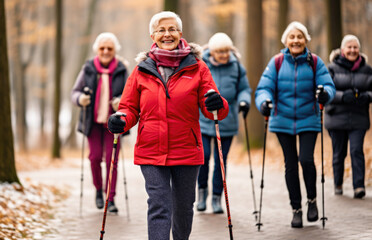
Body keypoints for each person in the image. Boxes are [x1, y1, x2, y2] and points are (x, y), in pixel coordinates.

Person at [107, 11, 229, 240]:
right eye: (161, 30)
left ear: (180, 33)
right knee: (159, 206)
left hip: (186, 148)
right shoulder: (141, 69)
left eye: (172, 29)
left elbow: (214, 109)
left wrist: (217, 102)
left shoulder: (198, 67)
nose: (167, 34)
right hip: (151, 149)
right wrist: (120, 119)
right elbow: (129, 107)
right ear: (152, 35)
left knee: (183, 208)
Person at [255, 21, 335, 228]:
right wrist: (264, 102)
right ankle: (296, 209)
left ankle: (312, 200)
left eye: (300, 36)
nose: (296, 40)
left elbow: (328, 85)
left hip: (308, 118)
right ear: (286, 41)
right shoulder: (277, 62)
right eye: (292, 37)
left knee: (306, 160)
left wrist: (325, 94)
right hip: (282, 119)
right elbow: (264, 87)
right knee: (290, 164)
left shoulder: (315, 62)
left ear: (306, 40)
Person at [71, 32, 128, 213]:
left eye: (109, 48)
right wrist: (81, 99)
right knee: (95, 158)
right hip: (93, 122)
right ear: (97, 49)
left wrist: (122, 102)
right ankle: (98, 190)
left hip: (114, 124)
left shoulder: (122, 69)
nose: (105, 51)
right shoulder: (88, 68)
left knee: (112, 161)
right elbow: (75, 93)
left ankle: (110, 199)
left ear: (114, 51)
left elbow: (131, 96)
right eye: (102, 48)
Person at [197, 33, 251, 213]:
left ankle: (216, 198)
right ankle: (202, 193)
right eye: (219, 51)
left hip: (228, 120)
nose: (223, 54)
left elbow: (244, 89)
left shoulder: (236, 66)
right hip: (204, 119)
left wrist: (244, 101)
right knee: (203, 157)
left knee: (221, 160)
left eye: (226, 51)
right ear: (211, 51)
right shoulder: (201, 64)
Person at [325, 34, 372, 199]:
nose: (352, 50)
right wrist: (342, 96)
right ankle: (338, 183)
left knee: (356, 150)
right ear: (342, 50)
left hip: (359, 116)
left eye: (355, 47)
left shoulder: (367, 69)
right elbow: (326, 91)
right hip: (336, 117)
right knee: (339, 153)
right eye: (349, 47)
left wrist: (367, 96)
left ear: (359, 50)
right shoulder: (331, 68)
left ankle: (359, 186)